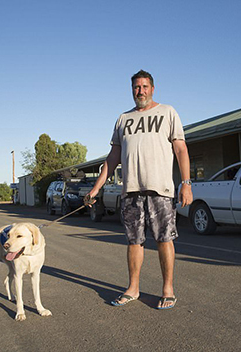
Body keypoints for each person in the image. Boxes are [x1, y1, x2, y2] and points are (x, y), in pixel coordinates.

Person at [85, 69, 193, 310]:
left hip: (161, 190)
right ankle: (133, 288)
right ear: (131, 90)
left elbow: (181, 150)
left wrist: (186, 183)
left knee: (164, 239)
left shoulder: (167, 112)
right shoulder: (123, 119)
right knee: (134, 241)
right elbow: (112, 158)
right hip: (131, 190)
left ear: (152, 89)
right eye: (136, 87)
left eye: (144, 87)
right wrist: (95, 189)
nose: (140, 91)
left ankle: (168, 289)